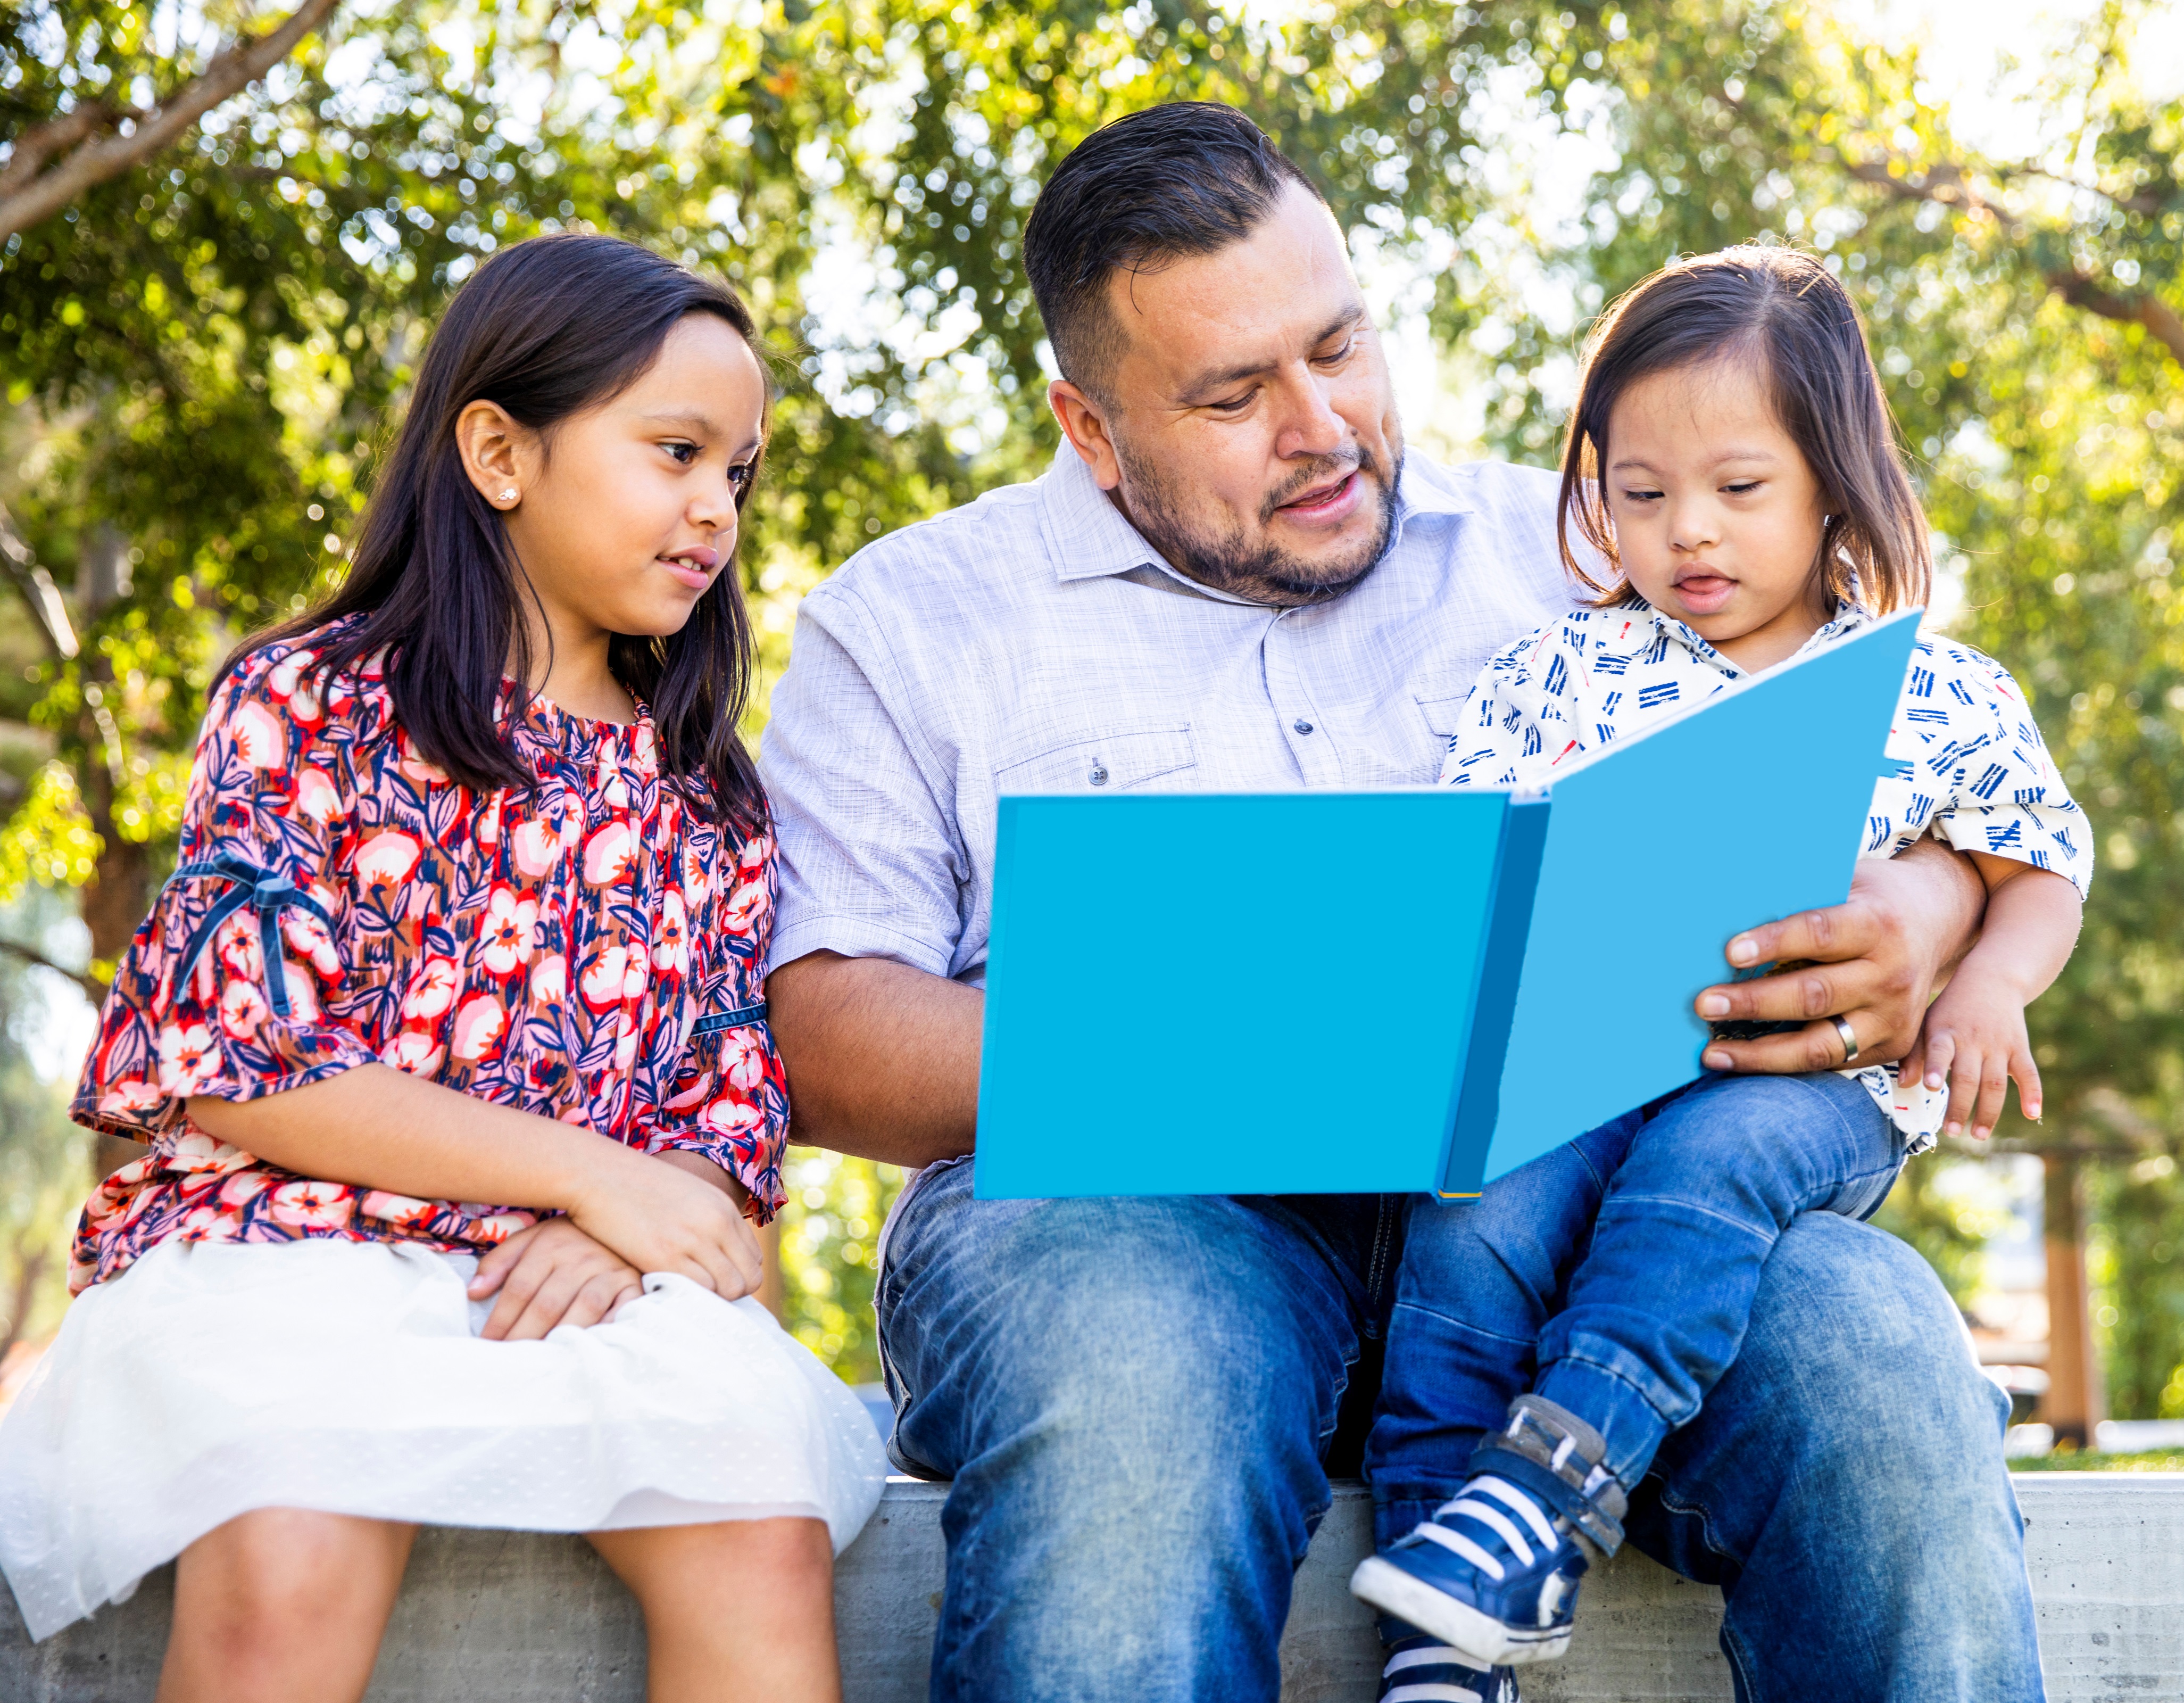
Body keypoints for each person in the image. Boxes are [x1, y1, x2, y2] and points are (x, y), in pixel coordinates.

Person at [762, 102, 2032, 1702]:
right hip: (1127, 1227)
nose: (1324, 424)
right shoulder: (914, 620)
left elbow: (1910, 744)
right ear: (1090, 429)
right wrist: (1254, 1058)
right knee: (1137, 1390)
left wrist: (1918, 916)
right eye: (1235, 395)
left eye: (1341, 345)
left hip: (1590, 1221)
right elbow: (818, 1035)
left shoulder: (1591, 547)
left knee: (1880, 1366)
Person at [0, 235, 883, 1700]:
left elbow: (723, 1125)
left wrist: (622, 1225)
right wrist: (593, 1176)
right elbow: (248, 1064)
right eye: (676, 451)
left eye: (740, 473)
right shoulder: (311, 703)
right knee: (294, 1537)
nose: (716, 508)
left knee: (757, 1527)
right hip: (287, 1251)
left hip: (575, 1280)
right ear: (497, 451)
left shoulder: (706, 792)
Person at [1348, 247, 2088, 1686]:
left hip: (1808, 1081)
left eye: (1740, 490)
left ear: (1834, 484)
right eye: (1641, 493)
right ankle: (1442, 1616)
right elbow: (1473, 874)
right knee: (1469, 1218)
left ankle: (1552, 1484)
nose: (1688, 530)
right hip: (1584, 1059)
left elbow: (2040, 862)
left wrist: (1990, 981)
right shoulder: (1559, 670)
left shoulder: (1931, 686)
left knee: (1712, 1167)